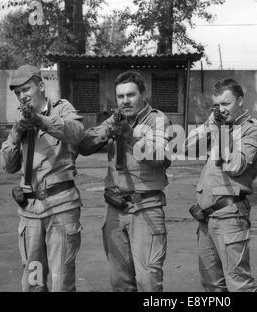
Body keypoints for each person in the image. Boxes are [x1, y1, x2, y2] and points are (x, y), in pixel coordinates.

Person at [78, 70, 171, 292]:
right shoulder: (115, 118)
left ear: (143, 94)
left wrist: (130, 135)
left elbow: (159, 157)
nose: (125, 101)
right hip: (115, 208)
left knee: (148, 280)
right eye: (120, 97)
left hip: (145, 207)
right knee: (119, 281)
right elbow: (84, 147)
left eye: (130, 95)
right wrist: (106, 132)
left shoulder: (157, 120)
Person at [0, 64, 85, 292]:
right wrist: (17, 132)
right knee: (33, 283)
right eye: (18, 93)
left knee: (61, 282)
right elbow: (8, 166)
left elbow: (77, 133)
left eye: (26, 89)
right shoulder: (21, 120)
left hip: (61, 208)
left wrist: (41, 121)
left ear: (40, 86)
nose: (22, 96)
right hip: (30, 212)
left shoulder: (61, 108)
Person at [184, 78, 257, 292]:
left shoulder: (252, 129)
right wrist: (209, 126)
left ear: (240, 101)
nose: (222, 109)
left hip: (230, 215)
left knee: (239, 283)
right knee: (212, 285)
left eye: (226, 104)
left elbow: (235, 166)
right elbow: (186, 148)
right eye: (218, 105)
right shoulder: (219, 125)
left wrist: (220, 132)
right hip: (206, 216)